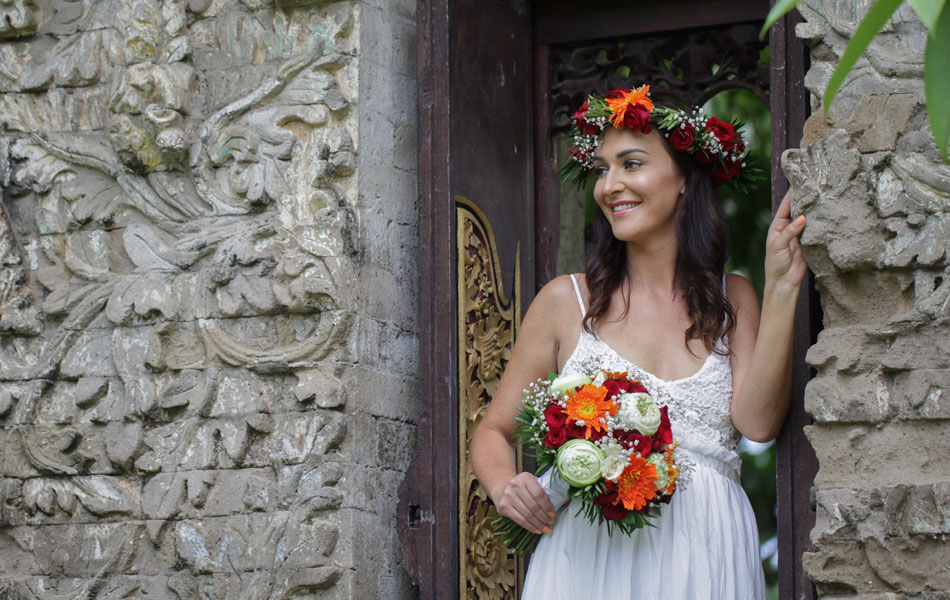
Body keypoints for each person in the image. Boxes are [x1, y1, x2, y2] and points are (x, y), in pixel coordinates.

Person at [470, 85, 807, 599]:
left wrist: (781, 287)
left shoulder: (731, 296)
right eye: (602, 170)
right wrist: (504, 487)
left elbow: (758, 423)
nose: (611, 185)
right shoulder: (566, 302)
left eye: (630, 164)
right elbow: (493, 432)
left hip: (709, 553)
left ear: (684, 183)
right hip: (589, 562)